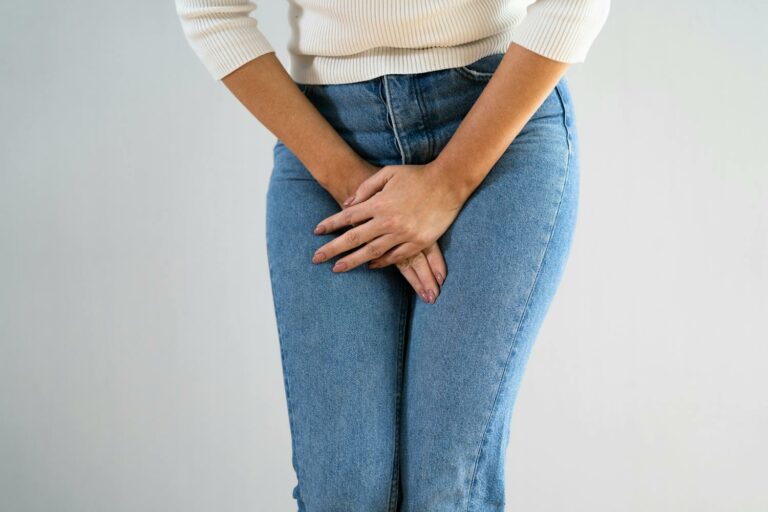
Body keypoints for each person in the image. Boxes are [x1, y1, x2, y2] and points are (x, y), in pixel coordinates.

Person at [174, 0, 610, 510]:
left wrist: (448, 183)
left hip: (493, 119)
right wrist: (354, 189)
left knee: (447, 490)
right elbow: (210, 11)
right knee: (342, 493)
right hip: (326, 136)